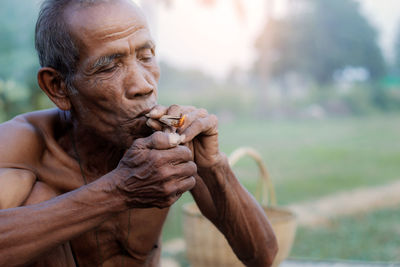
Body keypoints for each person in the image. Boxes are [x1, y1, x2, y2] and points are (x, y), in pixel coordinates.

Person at [0, 0, 278, 266]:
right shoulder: (23, 143)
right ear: (58, 87)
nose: (143, 86)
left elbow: (262, 256)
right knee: (38, 197)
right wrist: (119, 191)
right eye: (109, 66)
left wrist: (214, 166)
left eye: (146, 57)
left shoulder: (170, 144)